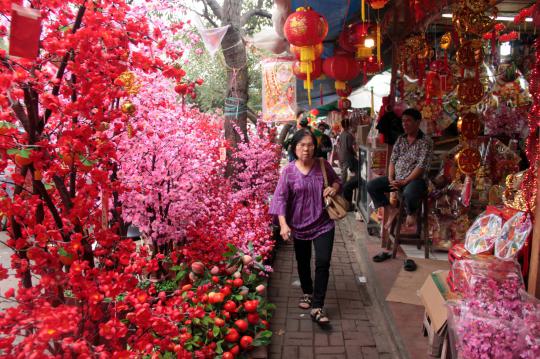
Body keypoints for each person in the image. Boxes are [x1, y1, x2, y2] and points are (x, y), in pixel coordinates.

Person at [269, 129, 341, 324]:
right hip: (299, 225)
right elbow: (280, 199)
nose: (306, 149)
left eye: (310, 145)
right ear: (294, 147)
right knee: (303, 262)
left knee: (323, 262)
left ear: (315, 147)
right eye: (302, 145)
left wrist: (333, 189)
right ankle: (307, 292)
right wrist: (283, 225)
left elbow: (336, 180)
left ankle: (318, 305)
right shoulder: (289, 171)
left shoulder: (322, 164)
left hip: (323, 222)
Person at [366, 108, 433, 231]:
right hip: (397, 178)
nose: (404, 124)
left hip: (415, 180)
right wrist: (391, 178)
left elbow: (421, 166)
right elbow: (392, 160)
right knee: (372, 185)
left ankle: (410, 213)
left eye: (408, 121)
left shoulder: (426, 141)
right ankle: (391, 209)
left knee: (409, 193)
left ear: (418, 122)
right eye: (403, 121)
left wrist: (405, 181)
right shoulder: (400, 139)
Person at [337, 117, 357, 183]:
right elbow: (349, 147)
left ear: (342, 125)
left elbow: (339, 145)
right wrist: (354, 153)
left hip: (341, 154)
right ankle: (343, 186)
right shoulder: (349, 135)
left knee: (343, 171)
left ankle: (343, 185)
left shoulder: (341, 134)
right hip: (347, 155)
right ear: (349, 125)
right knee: (346, 171)